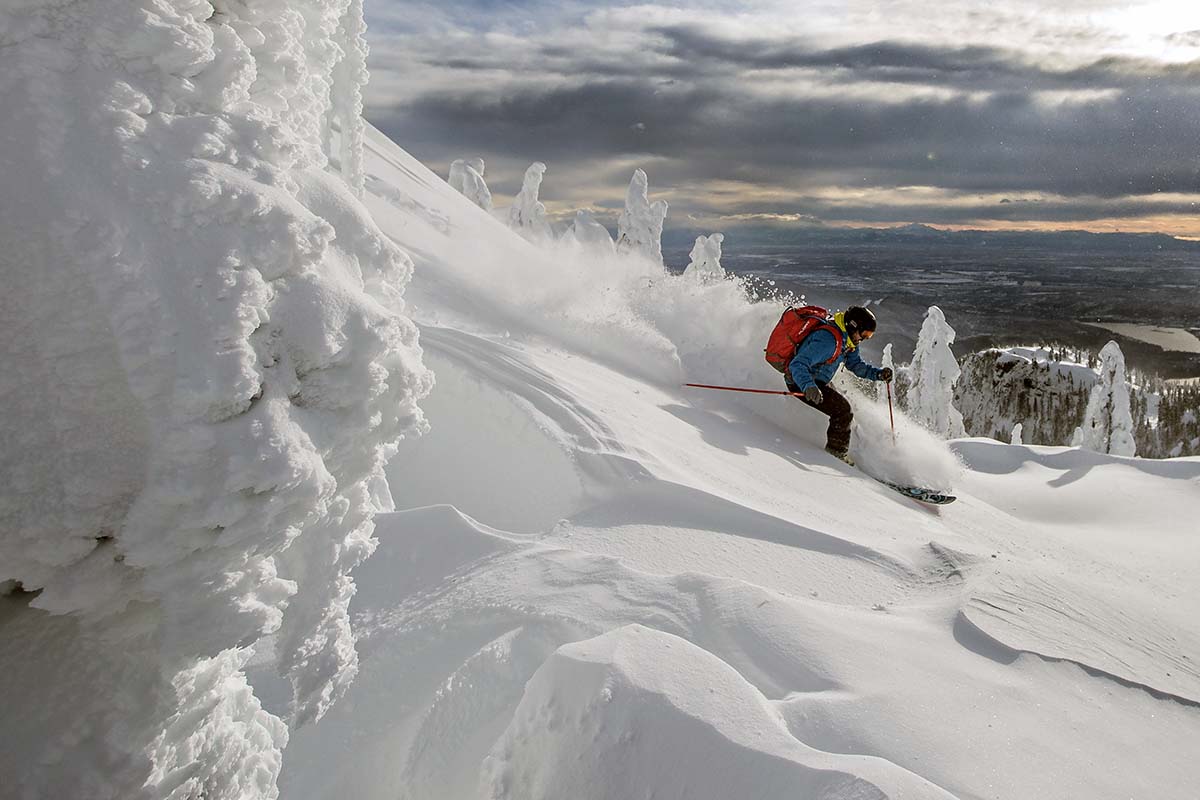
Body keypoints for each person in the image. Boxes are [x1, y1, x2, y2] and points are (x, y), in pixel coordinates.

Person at [784, 306, 893, 466]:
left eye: (868, 337)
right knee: (843, 411)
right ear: (853, 326)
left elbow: (856, 365)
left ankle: (841, 448)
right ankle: (835, 456)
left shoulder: (847, 340)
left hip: (817, 381)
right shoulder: (827, 340)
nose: (863, 339)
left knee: (845, 407)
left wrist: (878, 374)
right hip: (800, 381)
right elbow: (797, 364)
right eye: (864, 335)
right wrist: (808, 386)